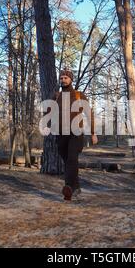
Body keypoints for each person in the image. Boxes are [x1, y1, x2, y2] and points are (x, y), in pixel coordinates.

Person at [53, 69, 98, 201]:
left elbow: (89, 114)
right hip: (61, 134)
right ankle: (76, 187)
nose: (63, 80)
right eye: (61, 78)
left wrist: (93, 133)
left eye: (66, 78)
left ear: (71, 79)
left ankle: (68, 188)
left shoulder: (79, 95)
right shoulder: (56, 96)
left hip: (76, 133)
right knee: (68, 162)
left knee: (72, 159)